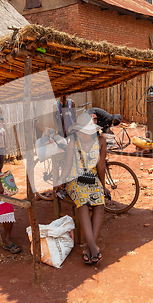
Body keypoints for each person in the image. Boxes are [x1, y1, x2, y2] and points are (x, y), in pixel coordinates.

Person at [56, 113, 108, 265]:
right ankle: (93, 247)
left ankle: (89, 248)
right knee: (83, 202)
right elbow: (68, 164)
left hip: (93, 179)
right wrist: (61, 180)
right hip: (75, 179)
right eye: (78, 131)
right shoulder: (73, 141)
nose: (79, 134)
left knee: (99, 203)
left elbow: (101, 166)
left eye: (83, 131)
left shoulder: (101, 141)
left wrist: (103, 186)